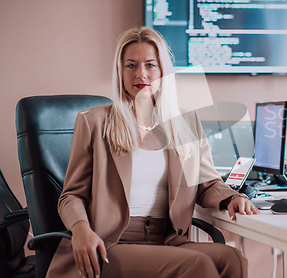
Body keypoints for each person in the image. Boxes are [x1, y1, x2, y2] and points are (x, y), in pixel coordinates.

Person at [46, 27, 259, 278]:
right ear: (119, 72)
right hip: (110, 243)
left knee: (231, 258)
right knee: (197, 266)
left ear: (162, 72)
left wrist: (232, 198)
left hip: (166, 239)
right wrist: (81, 230)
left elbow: (206, 183)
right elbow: (71, 196)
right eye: (131, 65)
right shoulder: (94, 122)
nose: (141, 74)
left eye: (150, 65)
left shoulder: (186, 122)